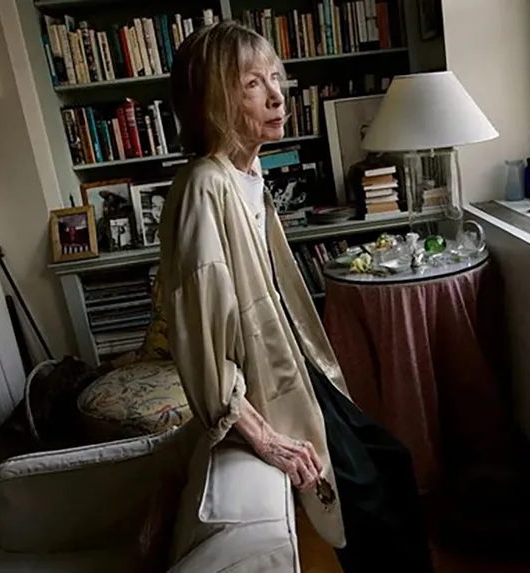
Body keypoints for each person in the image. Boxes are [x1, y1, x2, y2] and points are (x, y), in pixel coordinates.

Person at [160, 21, 433, 573]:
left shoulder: (248, 174)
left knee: (391, 460)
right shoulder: (205, 186)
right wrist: (261, 435)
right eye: (252, 84)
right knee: (366, 498)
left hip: (297, 368)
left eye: (275, 78)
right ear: (212, 98)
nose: (277, 95)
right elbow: (202, 337)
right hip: (266, 387)